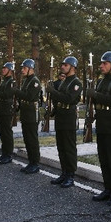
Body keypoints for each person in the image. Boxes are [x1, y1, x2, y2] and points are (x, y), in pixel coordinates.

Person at [85, 51, 111, 206]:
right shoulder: (101, 81)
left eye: (105, 63)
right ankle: (107, 188)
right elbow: (99, 102)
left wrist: (95, 95)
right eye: (101, 63)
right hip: (102, 123)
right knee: (103, 158)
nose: (101, 66)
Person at [46, 56, 82, 187]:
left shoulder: (76, 83)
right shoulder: (64, 81)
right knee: (61, 146)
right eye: (62, 65)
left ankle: (70, 175)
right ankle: (64, 172)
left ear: (72, 68)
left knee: (69, 147)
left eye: (65, 65)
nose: (62, 67)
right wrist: (53, 110)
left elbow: (69, 99)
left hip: (68, 117)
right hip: (60, 116)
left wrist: (53, 92)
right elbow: (59, 100)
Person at [14, 59, 42, 174]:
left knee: (32, 140)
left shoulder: (35, 81)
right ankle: (31, 162)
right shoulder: (26, 81)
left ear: (31, 69)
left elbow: (29, 96)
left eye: (24, 68)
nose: (22, 70)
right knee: (27, 139)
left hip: (31, 113)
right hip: (26, 113)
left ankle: (35, 163)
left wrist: (16, 92)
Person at [0, 62, 16, 164]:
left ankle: (9, 154)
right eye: (2, 68)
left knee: (7, 132)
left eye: (5, 68)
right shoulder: (4, 81)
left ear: (10, 70)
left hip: (7, 109)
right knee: (2, 132)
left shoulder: (11, 82)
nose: (3, 70)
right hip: (2, 108)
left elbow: (6, 95)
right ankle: (4, 153)